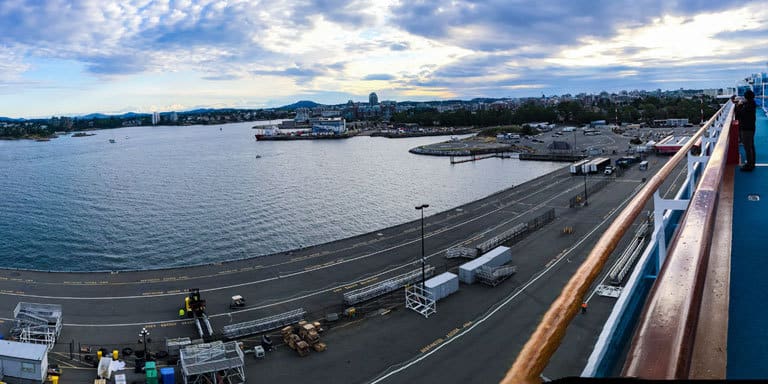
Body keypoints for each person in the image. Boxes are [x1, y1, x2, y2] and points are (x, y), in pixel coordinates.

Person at [735, 90, 757, 171]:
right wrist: (742, 104)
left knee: (748, 147)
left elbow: (739, 114)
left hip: (747, 128)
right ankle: (752, 163)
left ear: (746, 97)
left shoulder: (748, 106)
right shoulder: (751, 104)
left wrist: (739, 105)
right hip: (751, 127)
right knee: (751, 146)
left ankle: (749, 165)